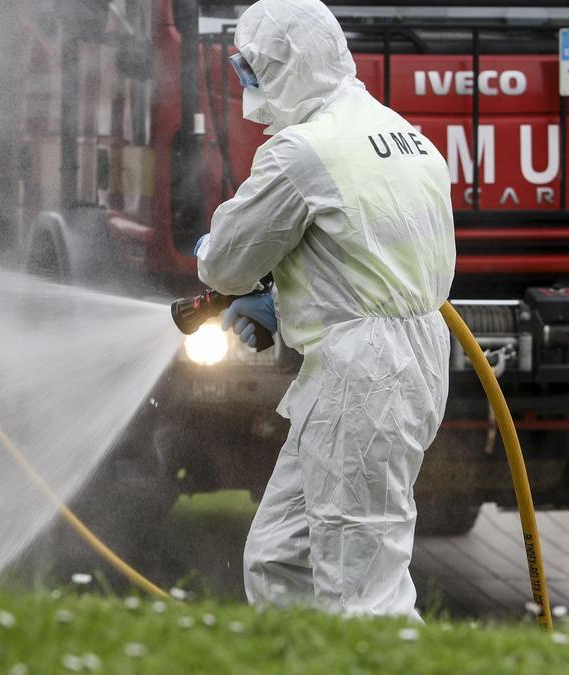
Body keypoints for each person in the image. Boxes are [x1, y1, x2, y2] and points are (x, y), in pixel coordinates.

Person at [194, 0, 456, 619]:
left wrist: (223, 259)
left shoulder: (301, 153)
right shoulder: (398, 132)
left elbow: (224, 261)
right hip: (398, 363)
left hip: (363, 378)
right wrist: (283, 296)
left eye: (252, 73)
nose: (250, 93)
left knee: (363, 591)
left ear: (286, 65)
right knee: (280, 557)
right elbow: (362, 257)